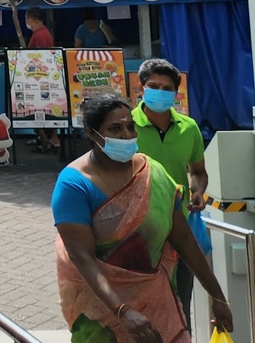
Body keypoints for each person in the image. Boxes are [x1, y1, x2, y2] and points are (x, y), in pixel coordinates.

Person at [53, 95, 234, 343]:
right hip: (102, 313)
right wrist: (122, 311)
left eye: (130, 126)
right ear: (93, 134)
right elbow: (81, 256)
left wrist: (217, 297)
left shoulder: (153, 173)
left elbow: (183, 238)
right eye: (115, 129)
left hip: (158, 304)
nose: (127, 135)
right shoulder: (74, 184)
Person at [132, 59, 208, 322]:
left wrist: (198, 191)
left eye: (167, 88)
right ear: (141, 88)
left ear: (176, 93)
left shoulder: (189, 128)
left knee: (180, 304)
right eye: (154, 85)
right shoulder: (125, 126)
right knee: (140, 307)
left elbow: (197, 171)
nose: (160, 92)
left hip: (180, 231)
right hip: (136, 232)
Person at [26, 11, 62, 151]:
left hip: (40, 79)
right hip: (42, 78)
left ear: (30, 19)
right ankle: (45, 138)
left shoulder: (40, 35)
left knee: (44, 109)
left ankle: (51, 139)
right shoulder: (41, 32)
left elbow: (40, 57)